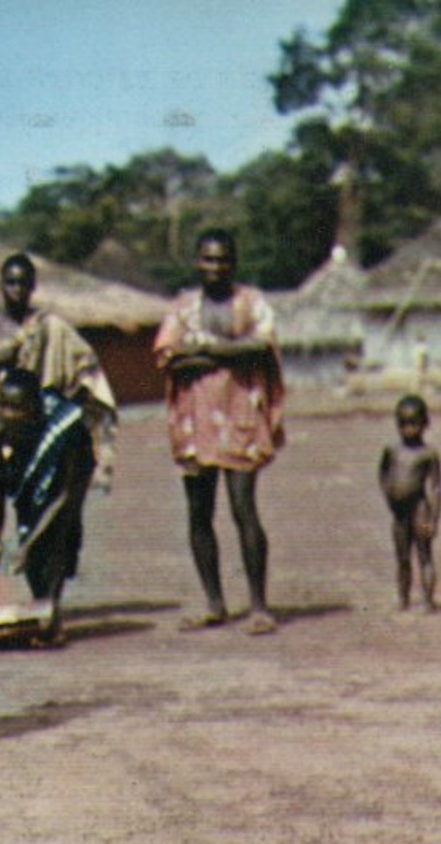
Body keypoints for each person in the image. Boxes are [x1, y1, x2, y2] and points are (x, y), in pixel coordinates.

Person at [154, 228, 285, 635]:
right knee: (199, 511)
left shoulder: (251, 303)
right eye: (208, 259)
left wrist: (203, 349)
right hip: (193, 421)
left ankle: (259, 606)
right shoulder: (182, 308)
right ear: (197, 262)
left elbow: (262, 347)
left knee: (244, 508)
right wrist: (229, 351)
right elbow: (169, 359)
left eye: (223, 259)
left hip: (240, 415)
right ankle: (214, 602)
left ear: (234, 262)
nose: (215, 267)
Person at [0, 253, 118, 492]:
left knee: (40, 495)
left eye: (23, 283)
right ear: (1, 284)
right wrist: (0, 357)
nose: (17, 289)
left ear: (33, 286)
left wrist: (66, 407)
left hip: (40, 424)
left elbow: (84, 366)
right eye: (11, 283)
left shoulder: (49, 327)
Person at [0, 368, 95, 648]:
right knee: (30, 529)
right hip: (33, 477)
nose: (7, 413)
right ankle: (42, 610)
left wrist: (25, 548)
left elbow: (62, 497)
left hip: (70, 477)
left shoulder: (66, 431)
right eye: (2, 404)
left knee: (57, 537)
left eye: (16, 408)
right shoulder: (0, 428)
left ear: (34, 408)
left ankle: (51, 609)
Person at [378, 394, 441, 611]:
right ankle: (403, 598)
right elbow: (383, 473)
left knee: (424, 555)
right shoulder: (392, 450)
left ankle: (428, 600)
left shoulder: (428, 454)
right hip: (399, 512)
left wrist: (434, 518)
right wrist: (388, 495)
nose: (408, 429)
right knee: (402, 557)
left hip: (420, 509)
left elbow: (436, 487)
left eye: (413, 423)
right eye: (403, 423)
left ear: (425, 423)